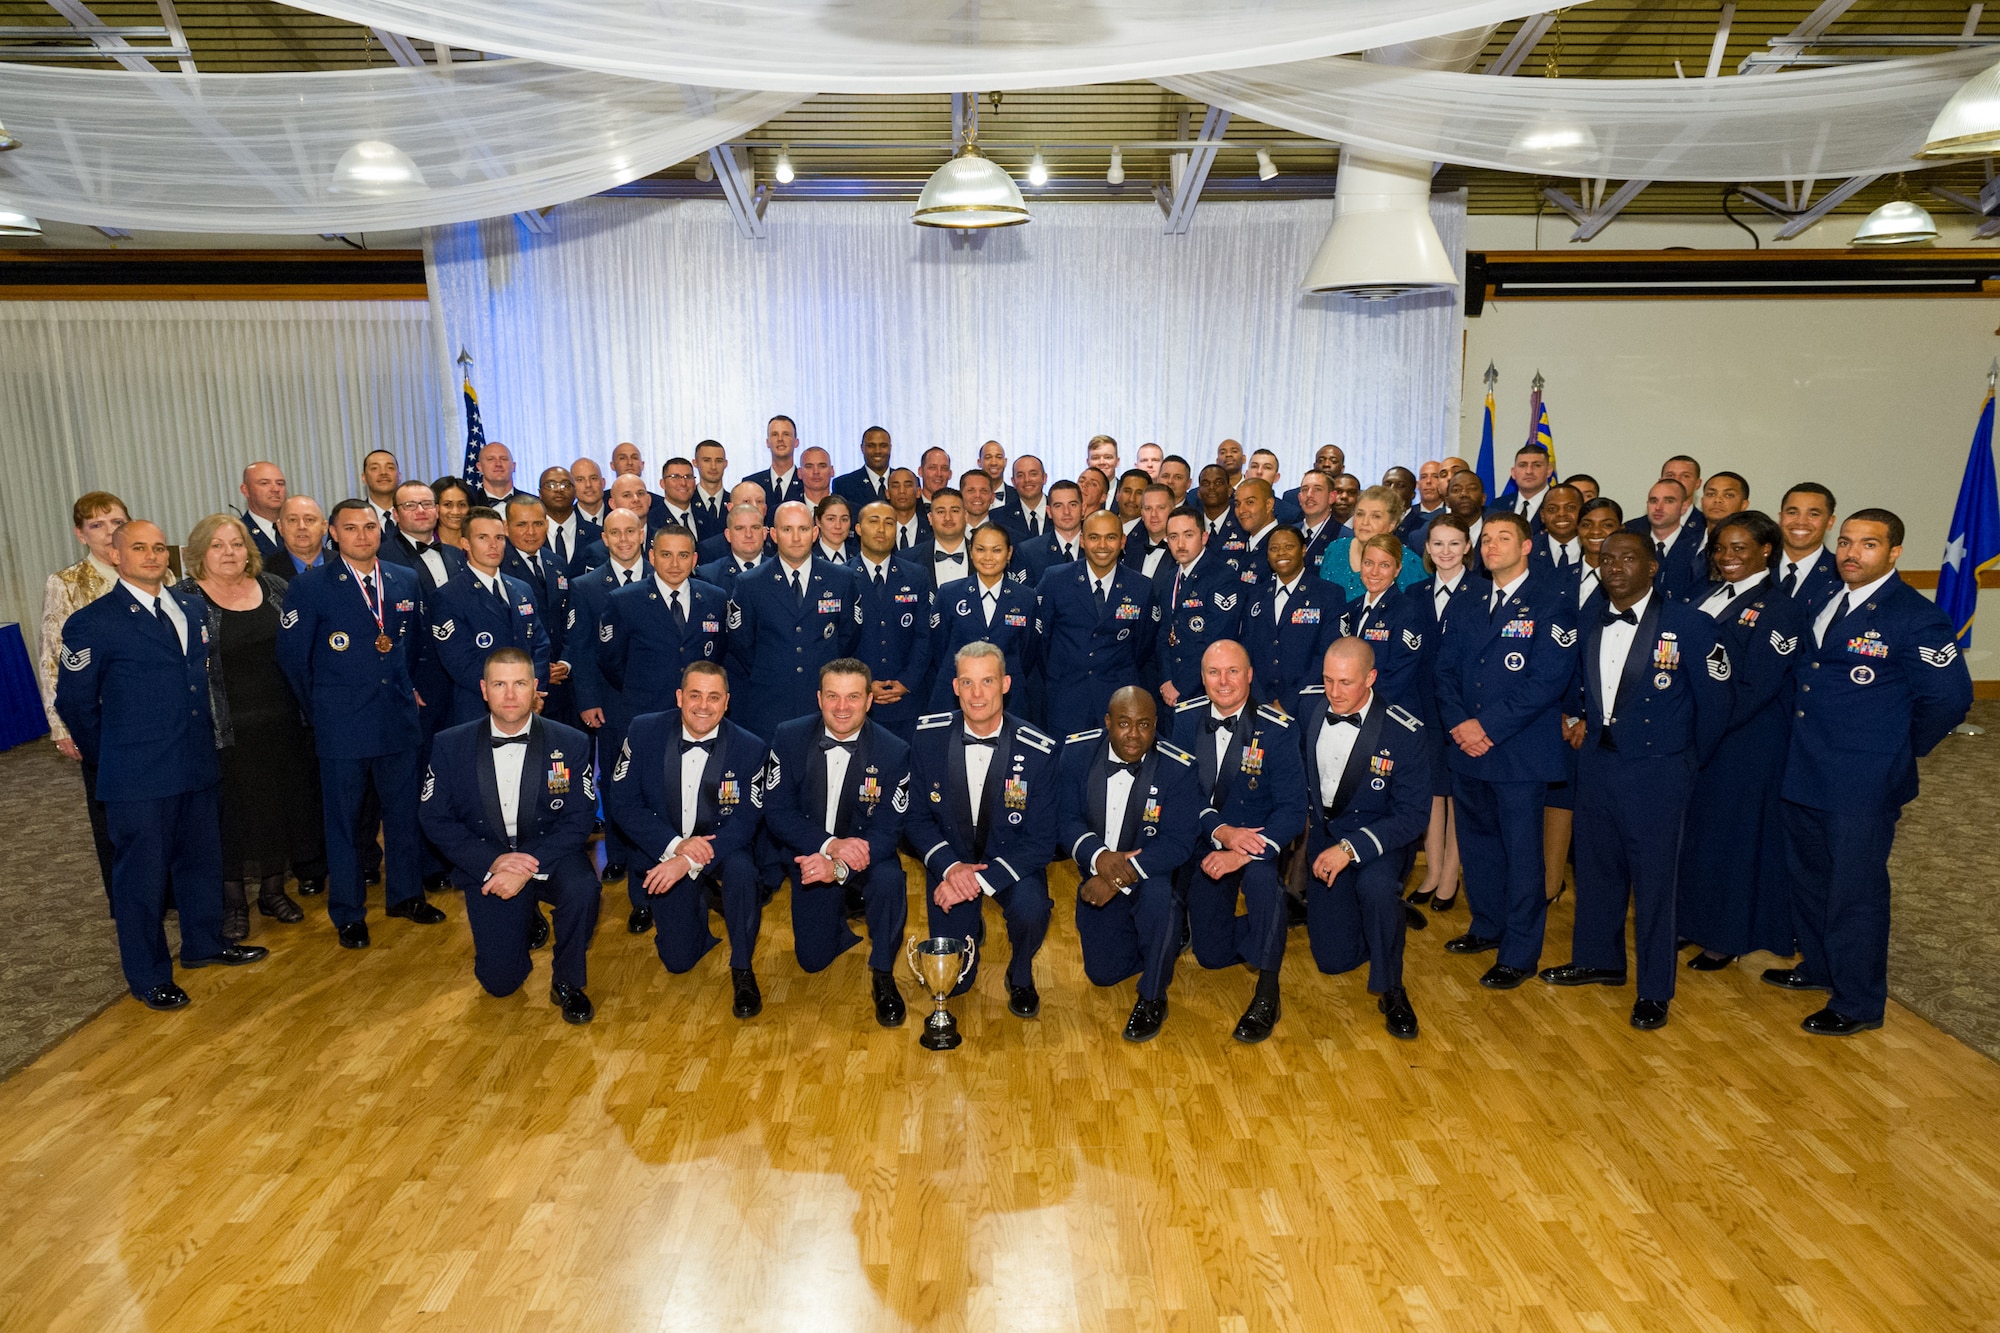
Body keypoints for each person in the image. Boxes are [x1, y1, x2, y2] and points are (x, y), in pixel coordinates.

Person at [1769, 509, 1971, 1036]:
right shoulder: (1823, 598)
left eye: (1869, 545)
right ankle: (1820, 966)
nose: (1852, 553)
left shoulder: (1913, 615)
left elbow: (1949, 698)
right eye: (1847, 543)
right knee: (1810, 879)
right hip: (1805, 767)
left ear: (1894, 553)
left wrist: (1897, 749)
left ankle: (1858, 1001)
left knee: (1854, 893)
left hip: (1862, 779)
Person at [54, 519, 268, 1009]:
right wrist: (113, 754)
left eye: (157, 548)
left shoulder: (190, 607)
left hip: (195, 761)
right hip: (137, 774)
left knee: (200, 863)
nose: (152, 556)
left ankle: (203, 944)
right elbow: (77, 703)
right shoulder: (92, 622)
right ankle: (148, 975)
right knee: (143, 881)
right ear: (115, 555)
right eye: (138, 548)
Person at [1540, 532, 1729, 1031]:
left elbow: (1716, 706)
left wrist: (1683, 760)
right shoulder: (1588, 617)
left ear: (1652, 566)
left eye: (1628, 558)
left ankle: (1654, 989)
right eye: (1607, 559)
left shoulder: (1690, 624)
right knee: (1597, 869)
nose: (1616, 566)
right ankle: (1599, 959)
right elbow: (1580, 685)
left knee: (1655, 883)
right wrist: (1578, 716)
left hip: (1659, 770)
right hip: (1599, 765)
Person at [278, 500, 445, 947]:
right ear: (333, 533)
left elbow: (408, 648)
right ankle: (349, 911)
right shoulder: (310, 587)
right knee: (346, 823)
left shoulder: (403, 578)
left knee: (405, 815)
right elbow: (294, 663)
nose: (363, 536)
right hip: (341, 726)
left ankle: (406, 895)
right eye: (351, 528)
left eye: (370, 527)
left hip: (396, 720)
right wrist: (323, 713)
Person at [1432, 512, 1578, 990]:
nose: (1492, 547)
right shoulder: (1471, 596)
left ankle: (1519, 952)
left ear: (1528, 545)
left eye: (1503, 538)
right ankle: (1487, 926)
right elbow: (1445, 669)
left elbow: (1547, 680)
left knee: (1521, 855)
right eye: (1486, 539)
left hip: (1517, 750)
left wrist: (1486, 727)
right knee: (1478, 847)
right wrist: (1459, 725)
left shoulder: (1551, 601)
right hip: (1467, 749)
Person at [421, 648, 600, 1025]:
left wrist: (525, 866)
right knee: (501, 984)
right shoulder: (450, 744)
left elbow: (580, 817)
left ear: (536, 688)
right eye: (500, 685)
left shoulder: (570, 742)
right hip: (489, 859)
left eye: (519, 684)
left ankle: (568, 981)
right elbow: (434, 818)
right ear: (484, 690)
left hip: (549, 853)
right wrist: (494, 861)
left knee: (583, 887)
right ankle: (525, 915)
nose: (510, 695)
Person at [1678, 511, 1807, 971]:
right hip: (1697, 735)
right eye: (1720, 548)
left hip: (1746, 742)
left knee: (1734, 839)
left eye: (1739, 549)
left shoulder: (1781, 608)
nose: (1727, 557)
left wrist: (1700, 730)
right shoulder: (1705, 594)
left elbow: (1757, 686)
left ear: (1766, 550)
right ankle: (1691, 921)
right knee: (1696, 835)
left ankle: (1725, 936)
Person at [907, 642, 1061, 1017]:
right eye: (968, 683)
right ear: (955, 687)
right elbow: (913, 818)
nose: (978, 694)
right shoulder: (927, 738)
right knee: (957, 986)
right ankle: (969, 927)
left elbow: (1042, 841)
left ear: (1006, 683)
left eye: (987, 681)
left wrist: (977, 881)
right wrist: (949, 868)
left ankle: (1021, 974)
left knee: (1031, 907)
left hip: (1009, 862)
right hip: (951, 861)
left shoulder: (1039, 751)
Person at [188, 513, 323, 938]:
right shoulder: (187, 600)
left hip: (282, 723)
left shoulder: (277, 589)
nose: (229, 553)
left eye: (236, 544)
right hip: (223, 730)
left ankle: (271, 890)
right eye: (218, 545)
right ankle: (233, 903)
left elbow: (303, 650)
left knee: (279, 809)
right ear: (199, 554)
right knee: (230, 817)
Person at [606, 659, 769, 1011]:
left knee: (743, 872)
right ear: (679, 697)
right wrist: (676, 848)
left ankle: (742, 966)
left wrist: (690, 859)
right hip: (665, 844)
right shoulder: (643, 731)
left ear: (727, 701)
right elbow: (622, 802)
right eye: (695, 695)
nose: (703, 706)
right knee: (678, 961)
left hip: (721, 847)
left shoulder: (750, 747)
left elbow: (745, 820)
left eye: (714, 697)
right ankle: (697, 901)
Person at [759, 659, 912, 1025]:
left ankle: (883, 972)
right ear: (819, 698)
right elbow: (777, 812)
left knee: (891, 880)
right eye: (833, 696)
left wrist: (840, 865)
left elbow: (889, 831)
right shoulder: (789, 736)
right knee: (812, 961)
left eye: (853, 697)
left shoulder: (895, 751)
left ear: (869, 700)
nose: (842, 707)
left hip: (868, 855)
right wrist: (830, 847)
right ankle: (840, 918)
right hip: (812, 853)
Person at [1170, 641, 1306, 1042]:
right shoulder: (1184, 719)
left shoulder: (1279, 729)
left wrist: (1242, 853)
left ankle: (1268, 990)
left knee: (1265, 885)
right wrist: (1220, 833)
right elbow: (1179, 795)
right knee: (1211, 957)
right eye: (1214, 672)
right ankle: (1280, 920)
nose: (1223, 681)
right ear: (1202, 676)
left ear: (1249, 675)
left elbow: (1293, 811)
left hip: (1258, 840)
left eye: (1233, 671)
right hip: (1205, 836)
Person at [1296, 638, 1432, 1039]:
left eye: (1345, 683)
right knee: (1331, 961)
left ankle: (1393, 988)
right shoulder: (1309, 705)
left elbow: (1412, 816)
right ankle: (1376, 921)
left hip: (1379, 842)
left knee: (1375, 889)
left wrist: (1350, 849)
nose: (1334, 693)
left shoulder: (1405, 731)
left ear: (1370, 678)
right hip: (1325, 838)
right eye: (1327, 681)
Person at [1056, 687, 1200, 1042]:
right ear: (1107, 723)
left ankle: (1153, 994)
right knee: (1103, 974)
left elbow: (1179, 842)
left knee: (1159, 900)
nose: (1134, 734)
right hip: (1097, 868)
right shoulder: (1075, 754)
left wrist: (1117, 877)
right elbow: (1064, 819)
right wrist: (1099, 858)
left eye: (1144, 725)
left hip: (1149, 874)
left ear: (1155, 727)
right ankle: (1163, 947)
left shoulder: (1178, 768)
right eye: (1123, 723)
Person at [37, 490, 142, 906]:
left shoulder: (157, 571)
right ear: (81, 534)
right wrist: (60, 726)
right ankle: (128, 899)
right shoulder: (66, 583)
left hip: (154, 714)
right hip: (98, 717)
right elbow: (51, 658)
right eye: (97, 525)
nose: (109, 532)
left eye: (116, 522)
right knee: (112, 813)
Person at [724, 500, 863, 740]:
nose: (796, 537)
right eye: (787, 530)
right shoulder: (750, 583)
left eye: (803, 529)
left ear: (815, 532)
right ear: (774, 534)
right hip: (769, 701)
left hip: (823, 701)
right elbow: (741, 642)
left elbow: (848, 636)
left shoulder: (841, 579)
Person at [565, 508, 650, 897]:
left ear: (642, 532)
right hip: (611, 702)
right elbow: (580, 649)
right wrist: (587, 699)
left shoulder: (665, 571)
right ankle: (618, 854)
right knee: (617, 779)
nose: (624, 539)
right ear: (605, 538)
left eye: (630, 531)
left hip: (660, 697)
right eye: (615, 533)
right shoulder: (585, 586)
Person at [1406, 514, 1486, 914]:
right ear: (1427, 548)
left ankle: (1451, 876)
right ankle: (1432, 870)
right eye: (1438, 544)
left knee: (1458, 796)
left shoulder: (1484, 593)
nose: (1445, 552)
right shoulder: (1415, 593)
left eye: (1454, 544)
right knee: (1431, 793)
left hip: (1464, 711)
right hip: (1423, 707)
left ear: (1468, 547)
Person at [1037, 510, 1159, 737]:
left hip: (1118, 700)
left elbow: (1142, 646)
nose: (1102, 545)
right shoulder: (1055, 579)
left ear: (1122, 541)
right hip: (1066, 698)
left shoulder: (1141, 586)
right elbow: (1041, 641)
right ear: (1082, 540)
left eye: (1111, 537)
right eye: (1094, 537)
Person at [428, 507, 551, 728]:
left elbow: (540, 643)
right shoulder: (449, 596)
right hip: (478, 709)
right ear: (465, 543)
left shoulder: (521, 589)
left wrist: (533, 689)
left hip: (530, 706)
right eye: (483, 538)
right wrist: (509, 694)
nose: (493, 545)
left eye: (499, 538)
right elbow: (461, 663)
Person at [934, 523, 1039, 718]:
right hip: (956, 692)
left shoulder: (1026, 597)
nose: (988, 557)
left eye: (996, 550)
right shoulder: (949, 593)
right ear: (971, 552)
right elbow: (940, 645)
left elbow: (1028, 650)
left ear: (1009, 553)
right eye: (981, 549)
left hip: (1011, 695)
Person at [1241, 524, 1344, 723]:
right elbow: (1246, 650)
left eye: (1289, 546)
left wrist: (1288, 702)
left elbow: (1328, 655)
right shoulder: (1256, 595)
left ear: (1303, 549)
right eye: (1274, 548)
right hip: (1260, 704)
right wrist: (1261, 700)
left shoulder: (1328, 594)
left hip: (1308, 705)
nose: (1281, 553)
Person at [848, 501, 934, 739]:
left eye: (889, 523)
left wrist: (907, 681)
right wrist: (864, 684)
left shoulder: (916, 575)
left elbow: (925, 635)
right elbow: (840, 642)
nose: (882, 529)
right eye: (873, 521)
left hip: (908, 698)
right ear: (858, 528)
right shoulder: (842, 577)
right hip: (857, 700)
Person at [1153, 507, 1251, 710]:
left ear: (1204, 537)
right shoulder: (1170, 577)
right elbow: (1164, 633)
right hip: (1169, 688)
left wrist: (1182, 686)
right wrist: (1166, 679)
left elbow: (1217, 638)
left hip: (1203, 690)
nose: (1180, 544)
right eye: (1173, 536)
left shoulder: (1221, 577)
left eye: (1188, 535)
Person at [502, 497, 573, 721]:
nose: (531, 532)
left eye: (538, 523)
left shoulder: (556, 563)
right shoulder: (499, 567)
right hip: (523, 684)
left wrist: (566, 662)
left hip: (564, 681)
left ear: (547, 524)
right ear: (506, 527)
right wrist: (540, 671)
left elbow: (569, 618)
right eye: (521, 525)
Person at [1320, 485, 1425, 598]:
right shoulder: (1335, 549)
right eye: (1360, 514)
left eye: (1376, 516)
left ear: (1392, 524)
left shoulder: (1410, 563)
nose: (1365, 522)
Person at [1776, 482, 1844, 615]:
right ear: (1780, 517)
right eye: (1792, 512)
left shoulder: (1841, 574)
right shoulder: (1757, 565)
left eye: (1814, 514)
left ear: (1830, 522)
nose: (1801, 521)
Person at [1640, 479, 1705, 601]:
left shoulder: (1698, 548)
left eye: (1669, 501)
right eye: (1653, 501)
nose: (1658, 507)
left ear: (1684, 507)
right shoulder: (1633, 544)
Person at [696, 501, 772, 595]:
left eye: (755, 528)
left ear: (764, 533)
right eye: (740, 528)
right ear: (728, 535)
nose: (748, 534)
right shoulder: (709, 576)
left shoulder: (782, 570)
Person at [1018, 479, 1086, 583]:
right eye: (1058, 506)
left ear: (1083, 509)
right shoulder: (1029, 552)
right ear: (1049, 512)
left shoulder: (1098, 547)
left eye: (1072, 505)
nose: (1066, 512)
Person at [909, 487, 976, 591]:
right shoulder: (908, 559)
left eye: (954, 511)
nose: (948, 518)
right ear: (930, 518)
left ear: (966, 516)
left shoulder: (985, 557)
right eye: (940, 512)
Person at [744, 414, 807, 512]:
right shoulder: (752, 484)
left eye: (786, 434)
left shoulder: (806, 483)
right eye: (774, 434)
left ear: (796, 442)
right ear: (767, 442)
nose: (780, 439)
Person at [1573, 497, 1624, 610]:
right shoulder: (1555, 578)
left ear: (1621, 529)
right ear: (1577, 529)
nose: (1595, 531)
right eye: (1586, 525)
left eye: (1607, 525)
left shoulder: (1630, 579)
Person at [538, 466, 589, 576]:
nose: (558, 489)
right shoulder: (531, 536)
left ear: (575, 491)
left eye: (565, 485)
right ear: (540, 493)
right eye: (550, 485)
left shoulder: (596, 534)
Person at [1228, 478, 1282, 573]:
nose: (1241, 510)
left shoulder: (1282, 543)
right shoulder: (1243, 542)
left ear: (1268, 505)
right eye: (1237, 504)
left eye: (1250, 502)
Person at [239, 462, 288, 564]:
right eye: (264, 483)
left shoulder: (297, 529)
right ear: (245, 490)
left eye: (280, 483)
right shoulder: (239, 534)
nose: (275, 489)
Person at [1292, 470, 1343, 569]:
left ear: (1332, 497)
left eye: (1318, 489)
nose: (1309, 495)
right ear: (1299, 498)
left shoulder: (1344, 537)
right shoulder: (1287, 533)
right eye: (1305, 489)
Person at [1495, 444, 1553, 530]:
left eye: (1537, 465)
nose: (1529, 471)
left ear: (1548, 471)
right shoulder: (1498, 505)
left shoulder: (1559, 504)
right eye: (1522, 465)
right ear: (1513, 473)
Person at [1121, 482, 1174, 578]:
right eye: (1148, 508)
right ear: (1142, 513)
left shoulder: (1181, 550)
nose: (1154, 514)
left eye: (1161, 508)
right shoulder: (1130, 548)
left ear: (1173, 511)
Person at [270, 495, 327, 581]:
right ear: (280, 527)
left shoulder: (346, 565)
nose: (301, 526)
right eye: (293, 520)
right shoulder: (265, 572)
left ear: (324, 527)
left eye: (309, 520)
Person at [835, 426, 895, 508]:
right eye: (871, 446)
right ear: (862, 448)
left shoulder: (909, 482)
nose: (877, 451)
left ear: (890, 448)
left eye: (883, 446)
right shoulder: (844, 485)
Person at [1443, 469, 1488, 573]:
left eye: (1471, 489)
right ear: (1447, 501)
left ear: (1483, 498)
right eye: (1456, 490)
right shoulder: (1428, 536)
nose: (1464, 494)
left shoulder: (1497, 536)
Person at [997, 455, 1048, 538]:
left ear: (1044, 478)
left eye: (1033, 474)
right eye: (1020, 475)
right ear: (1013, 482)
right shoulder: (999, 517)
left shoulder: (1060, 511)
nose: (1027, 480)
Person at [1194, 465, 1242, 549]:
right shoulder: (1192, 523)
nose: (1212, 487)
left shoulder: (1241, 521)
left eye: (1218, 483)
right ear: (1198, 493)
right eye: (1205, 484)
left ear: (1229, 490)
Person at [691, 439, 732, 539]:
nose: (713, 467)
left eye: (718, 461)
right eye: (706, 460)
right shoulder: (687, 503)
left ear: (726, 464)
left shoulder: (734, 502)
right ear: (695, 463)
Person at [473, 441, 533, 508]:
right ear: (479, 467)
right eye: (490, 459)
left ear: (513, 466)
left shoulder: (534, 504)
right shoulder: (470, 504)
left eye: (504, 459)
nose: (498, 464)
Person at [1399, 461, 1449, 542]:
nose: (1428, 481)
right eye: (1423, 477)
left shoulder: (1451, 513)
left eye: (1435, 476)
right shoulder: (1407, 515)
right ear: (1417, 485)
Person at [885, 467, 932, 551]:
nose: (902, 491)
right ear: (887, 493)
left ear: (918, 492)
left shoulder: (932, 530)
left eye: (908, 485)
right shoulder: (880, 531)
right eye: (895, 486)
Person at [360, 450, 400, 537]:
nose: (383, 473)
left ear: (400, 476)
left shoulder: (415, 514)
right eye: (374, 468)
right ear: (364, 478)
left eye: (390, 468)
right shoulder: (349, 517)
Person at [813, 494, 859, 563]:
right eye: (831, 519)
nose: (838, 526)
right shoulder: (808, 558)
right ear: (818, 521)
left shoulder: (861, 557)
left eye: (844, 519)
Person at [432, 476, 473, 554]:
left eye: (462, 505)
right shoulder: (425, 544)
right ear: (435, 507)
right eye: (447, 505)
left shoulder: (478, 543)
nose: (456, 512)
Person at [571, 455, 609, 527]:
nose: (588, 485)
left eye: (593, 478)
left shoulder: (617, 513)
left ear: (603, 483)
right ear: (572, 486)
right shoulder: (567, 520)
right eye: (580, 480)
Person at [977, 439, 1013, 511]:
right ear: (979, 462)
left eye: (999, 457)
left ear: (1005, 462)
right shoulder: (966, 497)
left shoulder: (1019, 496)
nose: (994, 463)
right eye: (988, 457)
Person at [1113, 469, 1150, 534]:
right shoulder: (1102, 524)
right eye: (1127, 491)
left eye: (1139, 493)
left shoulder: (1151, 533)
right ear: (1117, 494)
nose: (1132, 499)